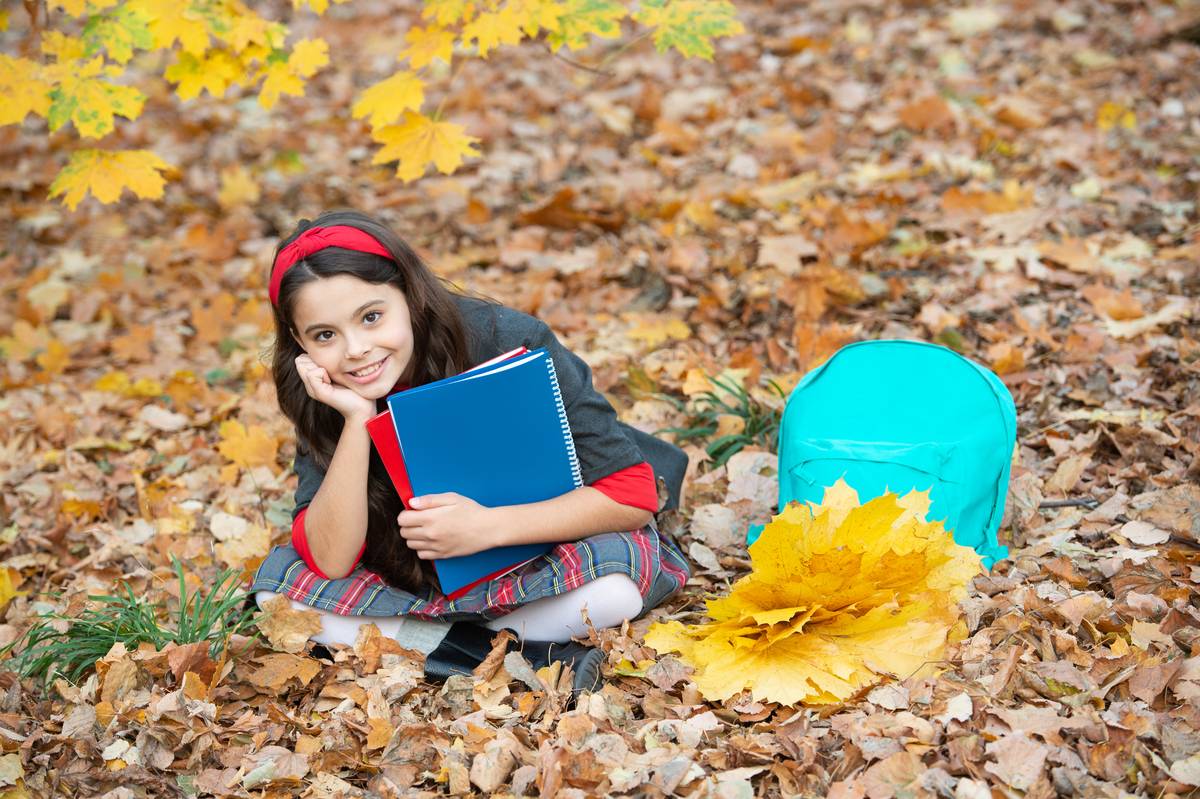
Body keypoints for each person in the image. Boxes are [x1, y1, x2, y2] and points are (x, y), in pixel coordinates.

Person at [251, 209, 691, 695]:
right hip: (407, 576)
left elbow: (632, 495)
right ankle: (522, 651)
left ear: (410, 294)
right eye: (325, 335)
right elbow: (331, 560)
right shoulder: (322, 388)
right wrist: (357, 420)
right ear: (299, 341)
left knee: (615, 589)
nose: (355, 350)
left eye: (372, 317)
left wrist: (487, 527)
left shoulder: (505, 337)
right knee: (279, 596)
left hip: (529, 552)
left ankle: (439, 646)